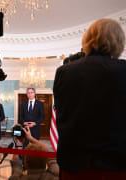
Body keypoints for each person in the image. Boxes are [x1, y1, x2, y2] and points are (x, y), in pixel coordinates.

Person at [53, 18, 126, 180]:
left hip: (74, 167)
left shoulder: (64, 72)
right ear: (119, 42)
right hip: (116, 167)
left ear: (87, 39)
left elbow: (62, 114)